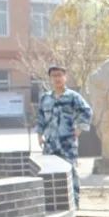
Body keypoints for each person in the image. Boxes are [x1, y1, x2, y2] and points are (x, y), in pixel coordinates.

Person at [35, 65, 92, 209]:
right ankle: (51, 204)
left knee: (70, 172)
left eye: (60, 75)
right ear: (50, 79)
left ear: (65, 77)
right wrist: (39, 135)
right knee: (48, 173)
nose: (57, 78)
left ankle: (75, 203)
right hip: (50, 143)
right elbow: (40, 118)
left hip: (67, 143)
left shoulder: (73, 97)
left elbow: (86, 111)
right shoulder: (45, 98)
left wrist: (79, 129)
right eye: (54, 76)